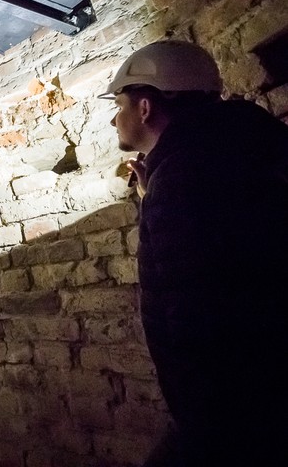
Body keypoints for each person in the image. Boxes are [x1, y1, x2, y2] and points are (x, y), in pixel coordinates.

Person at [101, 40, 288, 466]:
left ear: (144, 107)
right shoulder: (234, 149)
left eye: (119, 104)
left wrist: (206, 423)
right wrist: (153, 196)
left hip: (237, 412)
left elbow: (199, 313)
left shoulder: (184, 179)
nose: (115, 119)